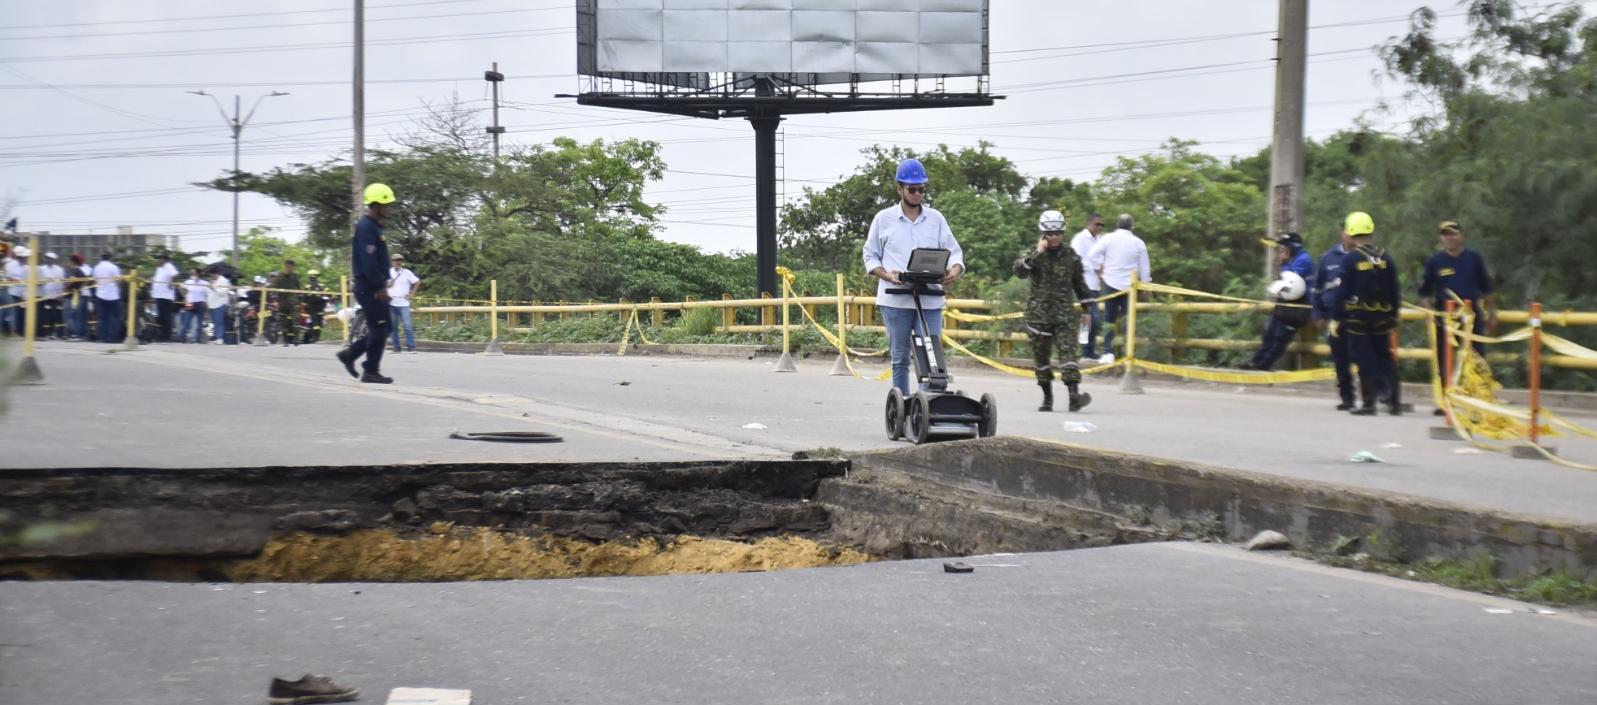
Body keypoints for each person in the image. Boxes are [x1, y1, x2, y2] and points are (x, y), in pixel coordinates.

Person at [861, 157, 965, 397]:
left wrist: (954, 270)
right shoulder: (883, 219)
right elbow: (870, 255)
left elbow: (955, 252)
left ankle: (927, 404)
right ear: (900, 189)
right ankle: (902, 404)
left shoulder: (936, 219)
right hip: (895, 298)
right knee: (900, 357)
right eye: (912, 189)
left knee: (930, 353)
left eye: (921, 189)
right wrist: (886, 275)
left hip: (929, 297)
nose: (917, 194)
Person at [1016, 209, 1094, 412]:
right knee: (1041, 359)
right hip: (1038, 316)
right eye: (1050, 234)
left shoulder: (1070, 255)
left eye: (1058, 233)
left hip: (1064, 314)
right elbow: (1019, 271)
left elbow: (1080, 284)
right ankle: (1047, 398)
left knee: (1069, 355)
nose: (1054, 237)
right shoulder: (1033, 253)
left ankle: (1074, 396)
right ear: (1043, 233)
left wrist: (1087, 309)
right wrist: (1037, 253)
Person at [1326, 211, 1401, 416]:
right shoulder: (1386, 257)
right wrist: (1394, 315)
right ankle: (1394, 402)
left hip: (1358, 318)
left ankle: (1370, 403)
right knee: (1384, 356)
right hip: (1383, 316)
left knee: (1364, 357)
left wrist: (1336, 317)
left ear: (1350, 232)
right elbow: (1395, 289)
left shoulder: (1350, 260)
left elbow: (1341, 292)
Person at [1420, 221, 1496, 409]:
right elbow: (1424, 292)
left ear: (1461, 236)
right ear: (1441, 238)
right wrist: (1429, 313)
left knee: (1475, 356)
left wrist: (1492, 314)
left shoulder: (1474, 258)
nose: (1449, 237)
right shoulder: (1435, 261)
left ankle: (1477, 399)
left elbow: (1487, 289)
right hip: (1445, 317)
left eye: (1453, 234)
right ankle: (1447, 401)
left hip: (1471, 315)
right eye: (1445, 234)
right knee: (1444, 358)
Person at [336, 183, 397, 384]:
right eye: (387, 205)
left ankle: (352, 356)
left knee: (382, 327)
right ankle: (369, 369)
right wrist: (379, 287)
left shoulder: (374, 227)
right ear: (377, 206)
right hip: (369, 287)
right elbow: (369, 261)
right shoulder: (366, 227)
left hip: (373, 286)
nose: (391, 209)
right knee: (381, 328)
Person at [1240, 232, 1315, 371]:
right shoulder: (1291, 259)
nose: (1282, 250)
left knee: (1280, 338)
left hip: (1298, 306)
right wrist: (1284, 262)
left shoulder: (1304, 259)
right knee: (1269, 334)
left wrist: (1284, 262)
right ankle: (1255, 361)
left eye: (1285, 247)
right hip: (1284, 302)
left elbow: (1290, 279)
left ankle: (1264, 364)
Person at [1086, 213, 1151, 364]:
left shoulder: (1108, 238)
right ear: (1132, 227)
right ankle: (1129, 353)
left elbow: (1092, 255)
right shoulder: (1138, 242)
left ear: (1117, 225)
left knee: (1109, 318)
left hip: (1110, 282)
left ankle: (1109, 353)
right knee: (1129, 319)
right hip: (1130, 286)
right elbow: (1145, 266)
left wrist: (1100, 270)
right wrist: (1146, 286)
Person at [1312, 229, 1357, 410]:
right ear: (1342, 234)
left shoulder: (1364, 257)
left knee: (1363, 355)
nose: (1352, 238)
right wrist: (1318, 313)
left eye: (1356, 235)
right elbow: (1317, 288)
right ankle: (1347, 397)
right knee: (1340, 358)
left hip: (1358, 315)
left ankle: (1375, 395)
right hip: (1334, 317)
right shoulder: (1328, 257)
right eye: (1350, 233)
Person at [1068, 212, 1107, 360]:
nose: (1099, 227)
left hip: (1095, 285)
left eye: (1102, 225)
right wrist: (1095, 267)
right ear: (1088, 224)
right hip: (1082, 284)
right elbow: (1076, 261)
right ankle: (1085, 351)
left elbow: (1104, 258)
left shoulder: (1101, 239)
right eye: (1097, 224)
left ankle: (1089, 351)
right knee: (1090, 319)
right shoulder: (1080, 239)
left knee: (1094, 321)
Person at [386, 254, 421, 354]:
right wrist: (389, 284)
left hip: (404, 304)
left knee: (408, 326)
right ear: (392, 262)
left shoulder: (406, 272)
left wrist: (412, 294)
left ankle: (411, 348)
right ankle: (396, 348)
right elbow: (383, 285)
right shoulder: (388, 272)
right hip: (391, 303)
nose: (398, 262)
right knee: (393, 327)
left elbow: (417, 282)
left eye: (400, 260)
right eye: (396, 260)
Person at [91, 252, 123, 343]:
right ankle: (112, 337)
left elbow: (95, 280)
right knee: (114, 317)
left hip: (100, 295)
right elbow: (118, 281)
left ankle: (102, 337)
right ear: (110, 258)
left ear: (101, 258)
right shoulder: (114, 267)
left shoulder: (96, 268)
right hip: (113, 296)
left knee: (102, 318)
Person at [150, 253, 179, 343]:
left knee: (166, 318)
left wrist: (171, 282)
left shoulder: (168, 266)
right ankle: (162, 336)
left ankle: (167, 337)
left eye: (159, 259)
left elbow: (174, 274)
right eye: (158, 259)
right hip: (159, 296)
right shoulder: (159, 269)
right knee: (161, 317)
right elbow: (157, 280)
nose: (158, 260)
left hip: (166, 296)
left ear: (164, 259)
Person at [38, 252, 66, 339]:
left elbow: (61, 282)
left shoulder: (59, 269)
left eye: (50, 258)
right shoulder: (41, 268)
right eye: (47, 258)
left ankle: (53, 332)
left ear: (54, 260)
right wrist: (43, 280)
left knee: (54, 314)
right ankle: (45, 333)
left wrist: (61, 294)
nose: (48, 260)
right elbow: (38, 281)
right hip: (44, 295)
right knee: (44, 315)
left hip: (55, 296)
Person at [64, 253, 91, 341]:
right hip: (76, 294)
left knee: (69, 315)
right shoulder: (79, 271)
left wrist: (66, 288)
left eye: (69, 261)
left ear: (72, 262)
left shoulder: (74, 270)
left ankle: (74, 334)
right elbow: (86, 281)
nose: (67, 263)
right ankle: (77, 334)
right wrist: (79, 286)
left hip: (72, 296)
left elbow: (70, 282)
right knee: (74, 316)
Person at [178, 267, 209, 343]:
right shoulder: (188, 281)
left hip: (200, 303)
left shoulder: (204, 283)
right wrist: (185, 296)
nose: (192, 275)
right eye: (191, 273)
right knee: (186, 321)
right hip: (190, 303)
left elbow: (207, 295)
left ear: (198, 274)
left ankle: (197, 339)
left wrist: (207, 307)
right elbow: (181, 288)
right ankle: (182, 337)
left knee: (199, 323)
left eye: (193, 273)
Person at [275, 260, 302, 346]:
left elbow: (298, 288)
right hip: (283, 302)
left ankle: (296, 339)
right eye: (288, 266)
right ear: (285, 266)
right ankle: (285, 340)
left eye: (291, 267)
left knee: (295, 321)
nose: (290, 268)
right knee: (284, 323)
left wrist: (300, 300)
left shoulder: (295, 276)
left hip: (294, 302)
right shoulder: (280, 276)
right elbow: (276, 288)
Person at [1, 245, 25, 337]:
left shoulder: (8, 262)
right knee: (11, 311)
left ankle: (9, 330)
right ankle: (12, 330)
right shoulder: (8, 263)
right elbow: (7, 277)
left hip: (17, 291)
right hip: (9, 291)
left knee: (7, 312)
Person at [206, 266, 232, 344]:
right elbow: (208, 293)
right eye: (210, 275)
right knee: (214, 322)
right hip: (212, 304)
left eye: (212, 275)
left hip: (220, 304)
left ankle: (220, 338)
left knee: (219, 322)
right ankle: (216, 337)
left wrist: (213, 288)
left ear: (216, 273)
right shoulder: (212, 281)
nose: (211, 277)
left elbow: (223, 293)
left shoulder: (224, 281)